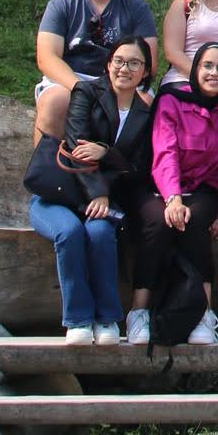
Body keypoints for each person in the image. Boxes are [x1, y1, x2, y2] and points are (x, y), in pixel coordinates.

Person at [29, 34, 153, 344]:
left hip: (105, 200)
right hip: (60, 192)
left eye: (134, 63)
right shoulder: (87, 91)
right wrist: (98, 189)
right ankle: (78, 319)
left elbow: (139, 167)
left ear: (145, 71)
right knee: (69, 232)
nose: (125, 69)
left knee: (99, 233)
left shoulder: (146, 112)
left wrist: (106, 153)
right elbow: (75, 144)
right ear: (108, 64)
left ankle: (108, 317)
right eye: (119, 61)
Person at [125, 42, 218, 346]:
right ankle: (139, 311)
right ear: (195, 69)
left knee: (195, 223)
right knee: (157, 223)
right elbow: (164, 152)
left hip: (206, 189)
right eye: (207, 66)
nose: (214, 73)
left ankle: (204, 312)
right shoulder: (172, 99)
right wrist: (172, 198)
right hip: (159, 187)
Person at [34, 0, 157, 141]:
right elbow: (47, 57)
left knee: (145, 102)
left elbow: (149, 62)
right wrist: (82, 90)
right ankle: (46, 173)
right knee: (54, 102)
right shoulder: (61, 4)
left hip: (121, 78)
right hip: (70, 79)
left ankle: (125, 172)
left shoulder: (137, 8)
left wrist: (112, 90)